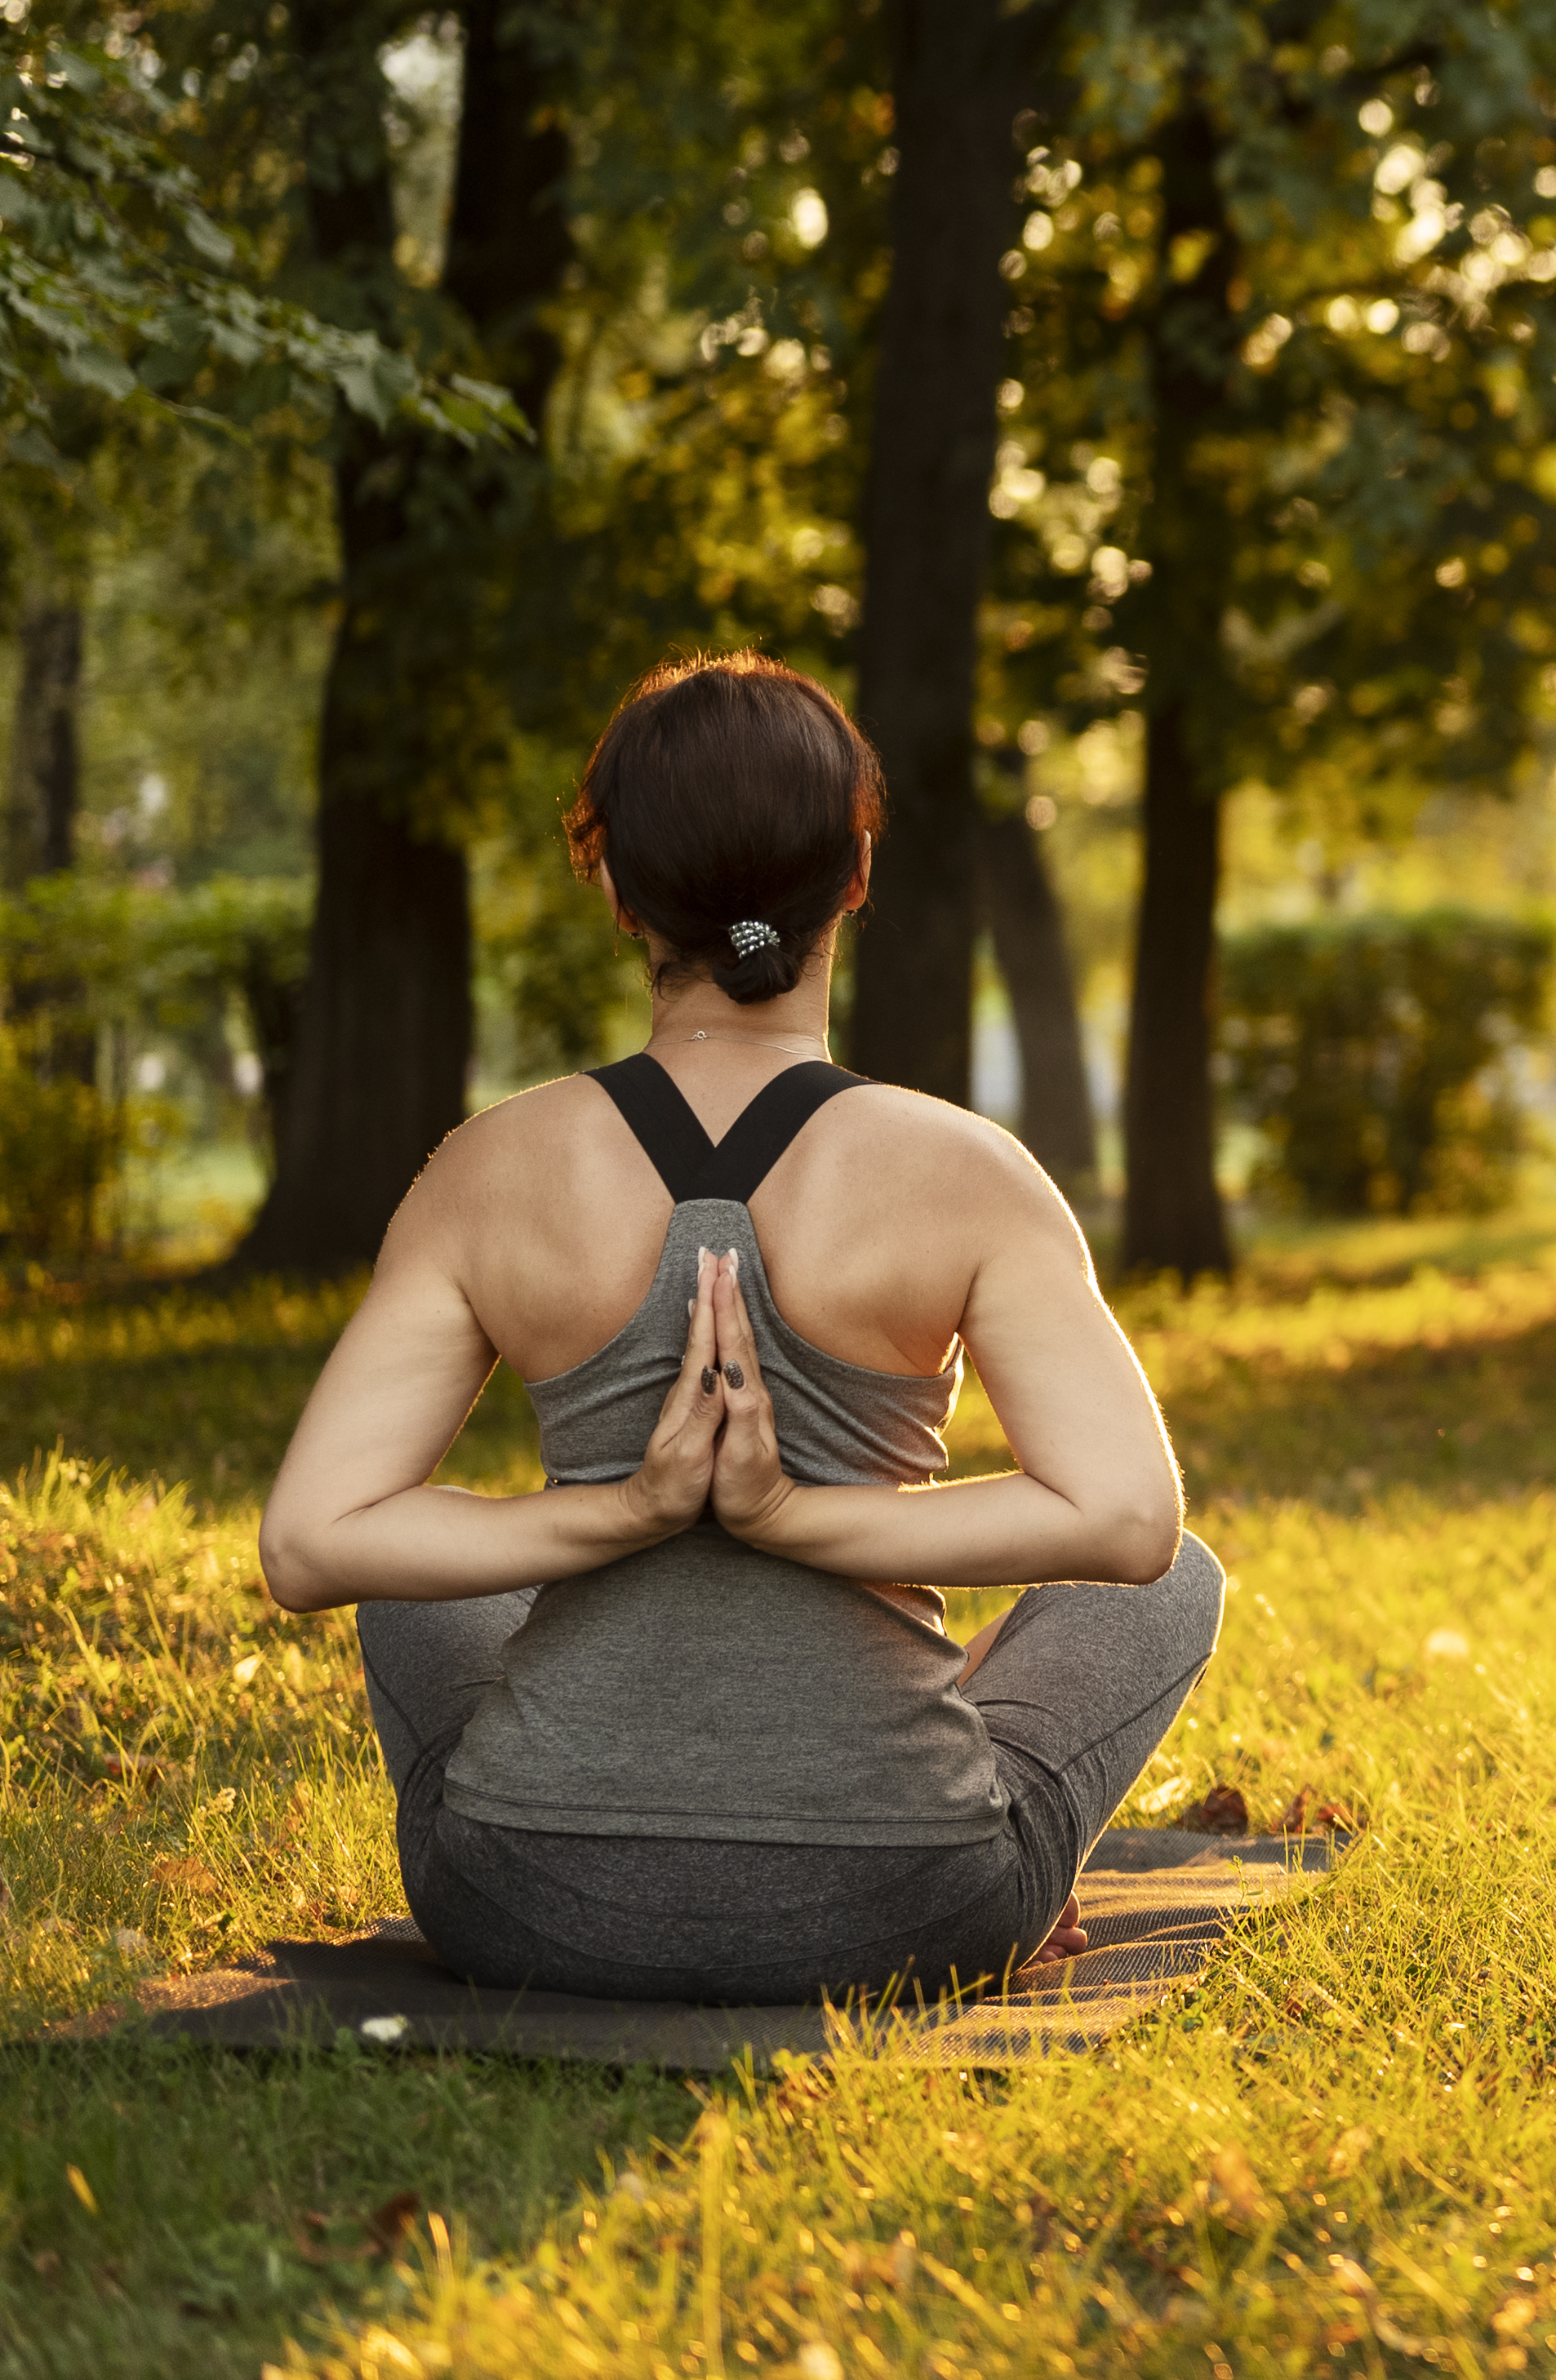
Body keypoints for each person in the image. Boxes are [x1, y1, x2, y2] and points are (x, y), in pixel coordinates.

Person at [258, 654, 1224, 2005]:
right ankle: (1008, 1864)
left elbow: (313, 1541)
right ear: (858, 870)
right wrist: (804, 1520)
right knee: (1183, 1582)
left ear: (610, 883)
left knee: (429, 1564)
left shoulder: (489, 1167)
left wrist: (626, 1514)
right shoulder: (968, 1171)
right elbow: (1132, 1525)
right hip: (909, 1909)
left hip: (524, 1906)